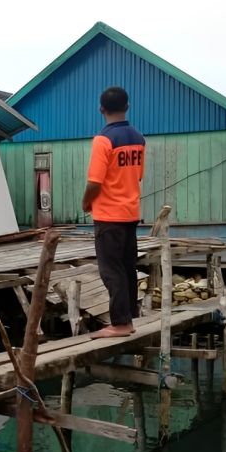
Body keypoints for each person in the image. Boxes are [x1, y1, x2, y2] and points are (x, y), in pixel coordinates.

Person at [82, 86, 145, 338]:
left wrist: (86, 202)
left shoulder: (103, 140)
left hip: (108, 215)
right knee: (127, 267)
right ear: (127, 106)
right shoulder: (139, 138)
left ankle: (120, 323)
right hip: (130, 213)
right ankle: (130, 316)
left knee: (111, 270)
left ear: (101, 109)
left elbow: (94, 182)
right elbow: (138, 176)